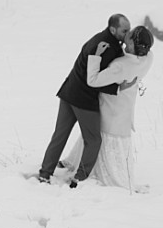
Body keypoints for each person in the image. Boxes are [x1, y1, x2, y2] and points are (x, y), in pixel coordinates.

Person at [37, 13, 131, 186]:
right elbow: (95, 80)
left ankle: (45, 173)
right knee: (94, 140)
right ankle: (79, 177)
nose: (128, 34)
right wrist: (117, 88)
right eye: (125, 30)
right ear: (113, 29)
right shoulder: (107, 47)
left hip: (68, 92)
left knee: (60, 135)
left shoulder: (100, 39)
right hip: (83, 100)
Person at [62, 25, 155, 192]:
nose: (127, 34)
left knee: (98, 138)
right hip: (125, 110)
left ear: (133, 45)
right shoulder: (148, 58)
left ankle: (89, 171)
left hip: (110, 108)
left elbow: (94, 80)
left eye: (130, 34)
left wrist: (96, 57)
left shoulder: (120, 65)